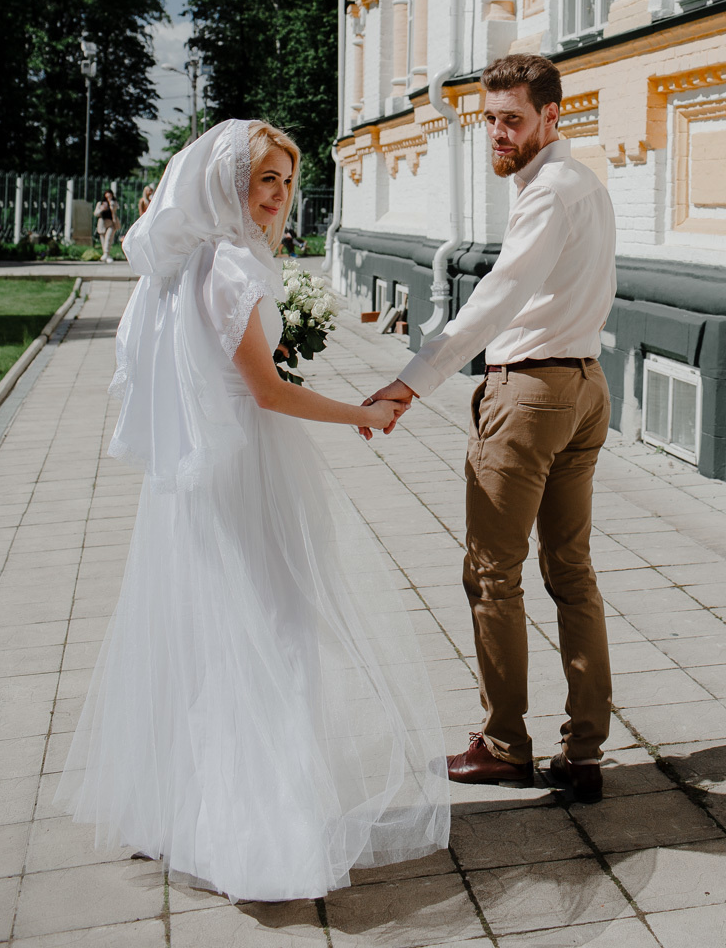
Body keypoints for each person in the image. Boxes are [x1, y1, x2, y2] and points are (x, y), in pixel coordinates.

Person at [56, 118, 450, 901]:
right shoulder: (229, 267)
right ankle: (261, 837)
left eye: (286, 180)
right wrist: (362, 415)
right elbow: (265, 390)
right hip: (248, 472)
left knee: (227, 635)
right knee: (275, 637)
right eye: (265, 179)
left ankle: (199, 813)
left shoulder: (197, 261)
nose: (279, 196)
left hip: (220, 471)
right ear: (227, 184)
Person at [370, 55, 617, 804]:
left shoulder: (548, 191)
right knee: (570, 573)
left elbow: (500, 295)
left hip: (532, 395)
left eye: (511, 119)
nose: (498, 133)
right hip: (583, 388)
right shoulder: (587, 186)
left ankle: (506, 746)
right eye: (490, 120)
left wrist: (413, 379)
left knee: (491, 574)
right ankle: (584, 754)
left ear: (551, 116)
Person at [94, 189, 121, 263]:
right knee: (103, 241)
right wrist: (101, 209)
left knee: (108, 239)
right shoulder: (100, 203)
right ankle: (106, 255)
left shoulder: (114, 203)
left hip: (111, 223)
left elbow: (115, 210)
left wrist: (111, 204)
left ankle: (106, 254)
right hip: (102, 223)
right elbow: (96, 214)